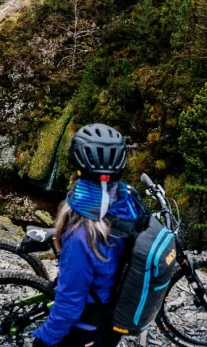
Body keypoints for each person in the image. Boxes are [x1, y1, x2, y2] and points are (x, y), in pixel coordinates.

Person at [33, 124, 143, 347]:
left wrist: (44, 339)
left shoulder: (80, 237)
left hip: (87, 328)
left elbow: (69, 305)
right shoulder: (129, 201)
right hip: (113, 315)